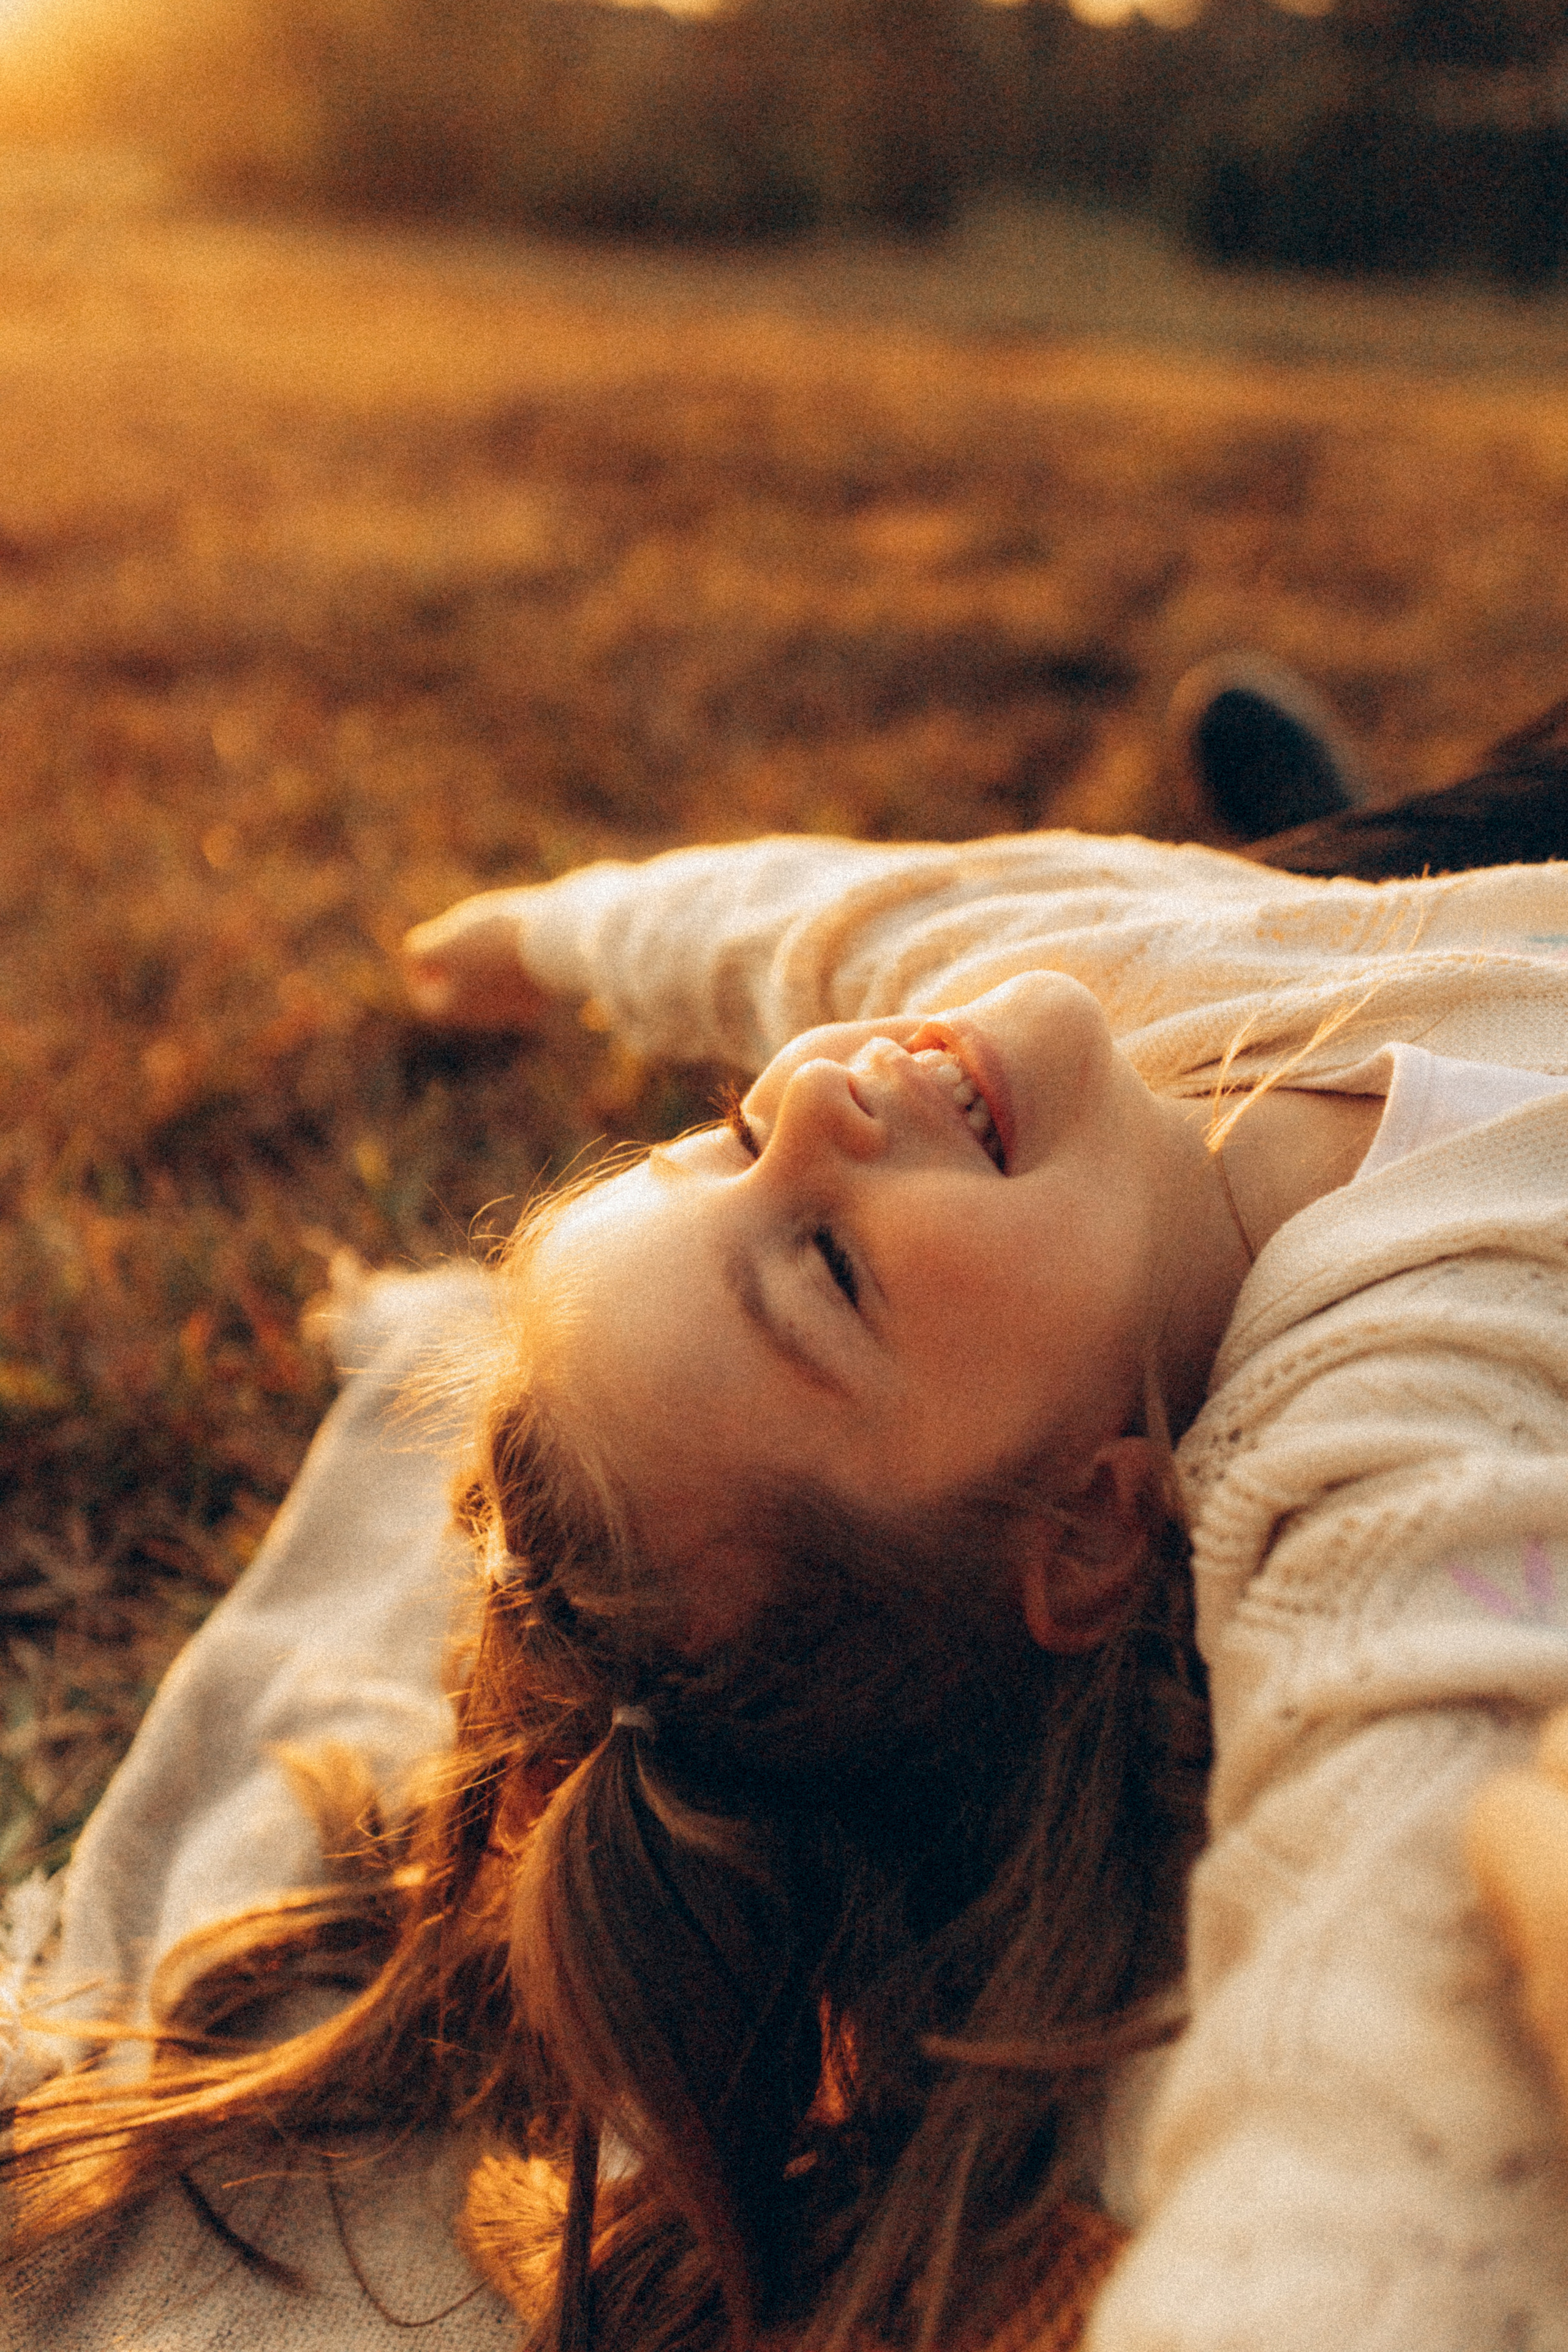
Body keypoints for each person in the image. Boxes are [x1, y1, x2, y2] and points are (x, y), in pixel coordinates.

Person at [10, 672, 1568, 2352]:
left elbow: (807, 927)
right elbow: (1368, 2061)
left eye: (732, 1129)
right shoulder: (1405, 1435)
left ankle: (1330, 819)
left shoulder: (1108, 979)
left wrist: (549, 937)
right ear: (1086, 1531)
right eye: (830, 1263)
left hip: (1419, 914)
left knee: (1360, 858)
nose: (816, 1101)